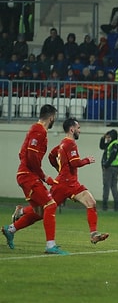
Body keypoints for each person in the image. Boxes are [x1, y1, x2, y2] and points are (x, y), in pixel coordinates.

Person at [1, 104, 68, 255]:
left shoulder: (34, 130)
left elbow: (22, 153)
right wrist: (43, 176)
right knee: (50, 205)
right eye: (54, 119)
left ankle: (10, 229)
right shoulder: (39, 130)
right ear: (51, 117)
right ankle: (50, 246)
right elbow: (31, 155)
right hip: (28, 176)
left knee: (39, 212)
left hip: (25, 174)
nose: (53, 121)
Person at [45, 118, 109, 244]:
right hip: (63, 184)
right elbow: (75, 163)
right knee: (42, 211)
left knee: (91, 202)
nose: (80, 131)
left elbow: (51, 156)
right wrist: (87, 160)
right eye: (78, 128)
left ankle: (94, 234)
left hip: (72, 184)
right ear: (72, 129)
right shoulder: (70, 144)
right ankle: (20, 216)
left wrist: (60, 169)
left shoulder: (62, 144)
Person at [99, 129, 118, 211]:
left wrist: (106, 165)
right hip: (116, 167)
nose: (107, 138)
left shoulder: (114, 144)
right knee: (113, 186)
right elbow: (102, 146)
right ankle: (117, 204)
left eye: (109, 136)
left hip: (110, 168)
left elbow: (112, 156)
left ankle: (105, 205)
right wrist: (103, 138)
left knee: (106, 186)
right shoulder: (113, 144)